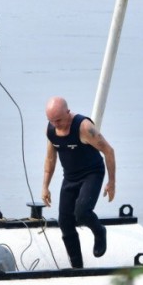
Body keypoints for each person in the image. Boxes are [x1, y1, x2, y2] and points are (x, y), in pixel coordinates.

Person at [41, 96, 116, 268]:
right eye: (51, 121)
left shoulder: (84, 127)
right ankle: (77, 267)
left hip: (92, 174)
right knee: (65, 221)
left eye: (58, 120)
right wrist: (45, 186)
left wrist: (112, 182)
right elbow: (50, 159)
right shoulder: (51, 130)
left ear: (68, 112)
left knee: (82, 212)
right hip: (70, 177)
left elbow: (109, 151)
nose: (55, 124)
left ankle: (99, 231)